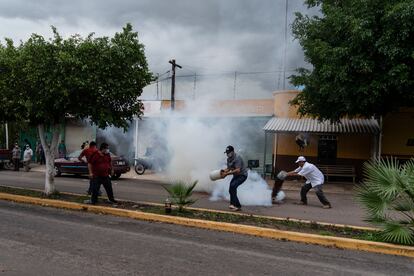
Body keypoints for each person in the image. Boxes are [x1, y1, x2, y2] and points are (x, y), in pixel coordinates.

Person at [221, 145, 248, 211]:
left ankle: (235, 205)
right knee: (231, 189)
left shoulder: (237, 158)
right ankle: (235, 205)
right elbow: (229, 168)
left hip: (242, 175)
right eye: (226, 153)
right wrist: (223, 171)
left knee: (233, 186)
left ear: (233, 152)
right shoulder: (228, 159)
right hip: (236, 176)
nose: (227, 154)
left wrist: (226, 174)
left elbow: (238, 170)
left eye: (229, 152)